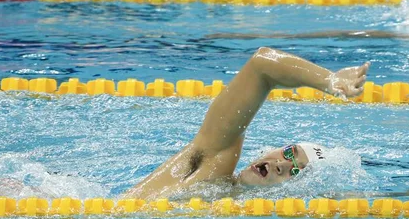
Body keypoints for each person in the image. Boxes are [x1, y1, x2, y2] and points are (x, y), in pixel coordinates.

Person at [124, 47, 369, 200]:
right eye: (287, 153)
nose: (280, 165)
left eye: (295, 171)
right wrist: (328, 79)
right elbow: (261, 66)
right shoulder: (213, 164)